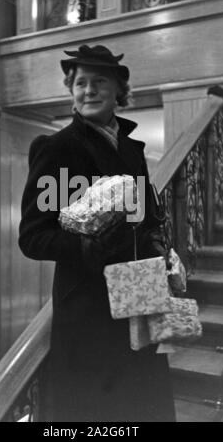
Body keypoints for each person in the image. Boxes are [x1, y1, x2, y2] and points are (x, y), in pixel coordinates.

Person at [19, 44, 175, 422]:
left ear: (118, 90)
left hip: (138, 296)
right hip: (89, 311)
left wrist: (161, 247)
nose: (88, 90)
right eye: (80, 82)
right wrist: (87, 246)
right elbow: (33, 236)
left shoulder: (132, 149)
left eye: (98, 81)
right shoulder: (57, 149)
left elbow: (144, 215)